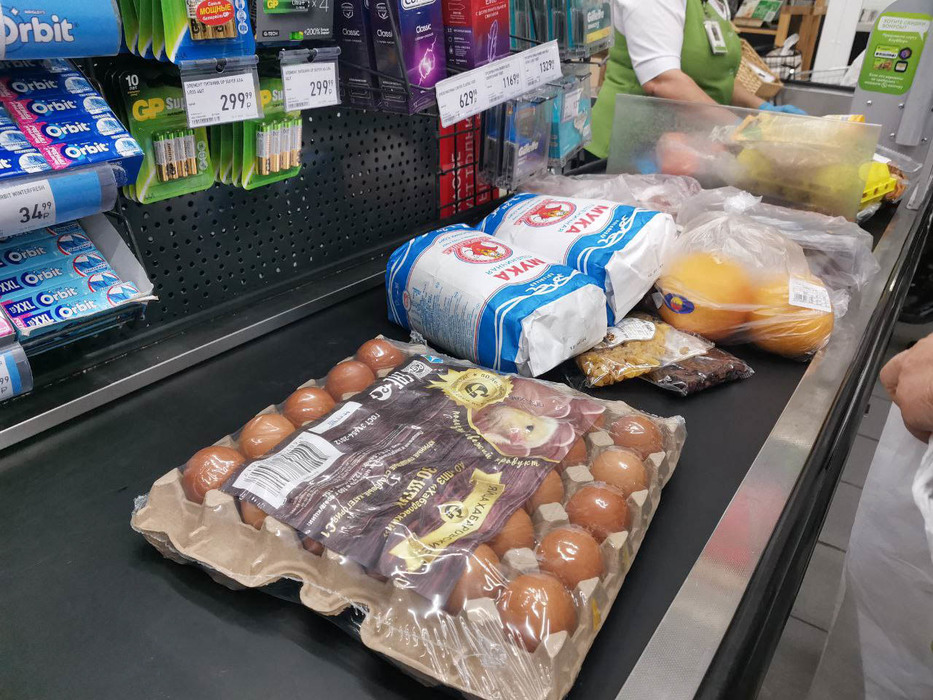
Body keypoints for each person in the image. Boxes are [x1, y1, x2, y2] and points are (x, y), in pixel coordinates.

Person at [588, 0, 806, 160]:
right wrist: (740, 129)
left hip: (684, 150)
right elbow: (662, 81)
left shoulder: (713, 4)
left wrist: (762, 109)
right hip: (627, 152)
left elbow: (716, 76)